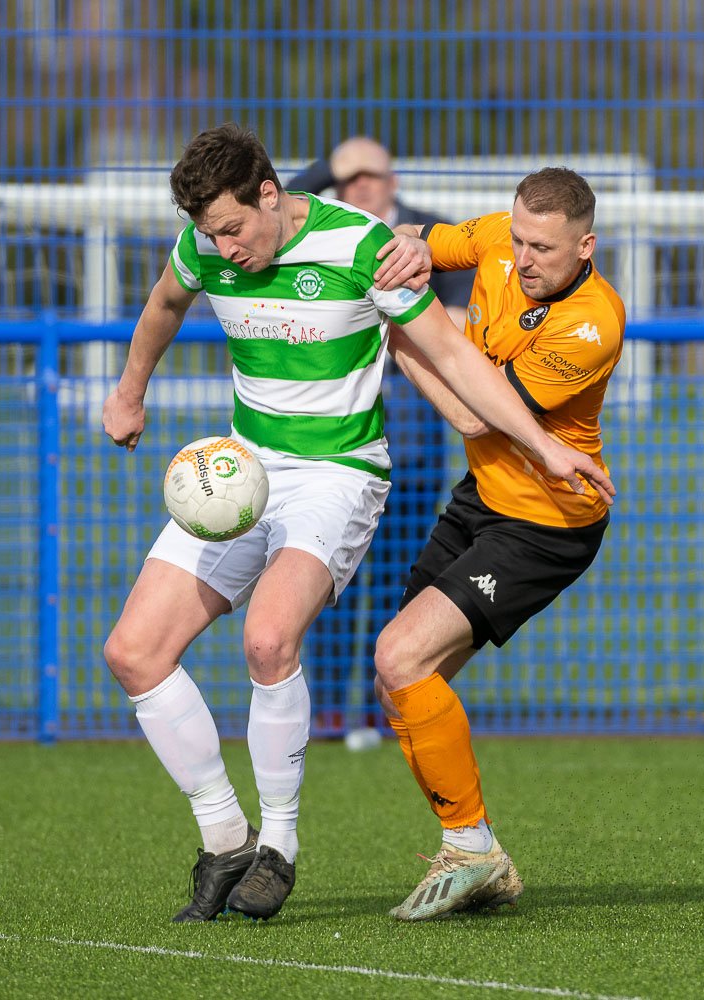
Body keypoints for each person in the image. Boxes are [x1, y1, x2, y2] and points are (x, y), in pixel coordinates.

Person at [101, 127, 614, 924]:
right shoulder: (208, 247)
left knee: (279, 641)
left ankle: (283, 847)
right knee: (133, 652)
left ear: (270, 193)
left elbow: (459, 368)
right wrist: (129, 390)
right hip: (256, 469)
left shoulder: (582, 322)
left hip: (362, 479)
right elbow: (167, 301)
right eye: (208, 233)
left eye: (232, 227)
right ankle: (225, 837)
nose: (221, 247)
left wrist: (541, 443)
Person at [367, 167, 626, 920]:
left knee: (399, 656)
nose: (523, 257)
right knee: (401, 683)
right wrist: (402, 248)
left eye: (543, 246)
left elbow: (476, 412)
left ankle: (472, 848)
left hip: (548, 524)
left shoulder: (592, 322)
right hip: (482, 501)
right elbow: (418, 241)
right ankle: (478, 856)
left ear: (585, 246)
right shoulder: (498, 244)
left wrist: (403, 330)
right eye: (517, 238)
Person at [284, 138, 476, 735]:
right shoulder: (318, 239)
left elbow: (459, 331)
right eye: (347, 178)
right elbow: (269, 210)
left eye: (371, 175)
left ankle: (384, 700)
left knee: (402, 574)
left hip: (413, 448)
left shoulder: (430, 237)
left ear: (393, 182)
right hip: (337, 444)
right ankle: (332, 710)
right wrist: (325, 169)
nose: (359, 186)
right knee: (333, 577)